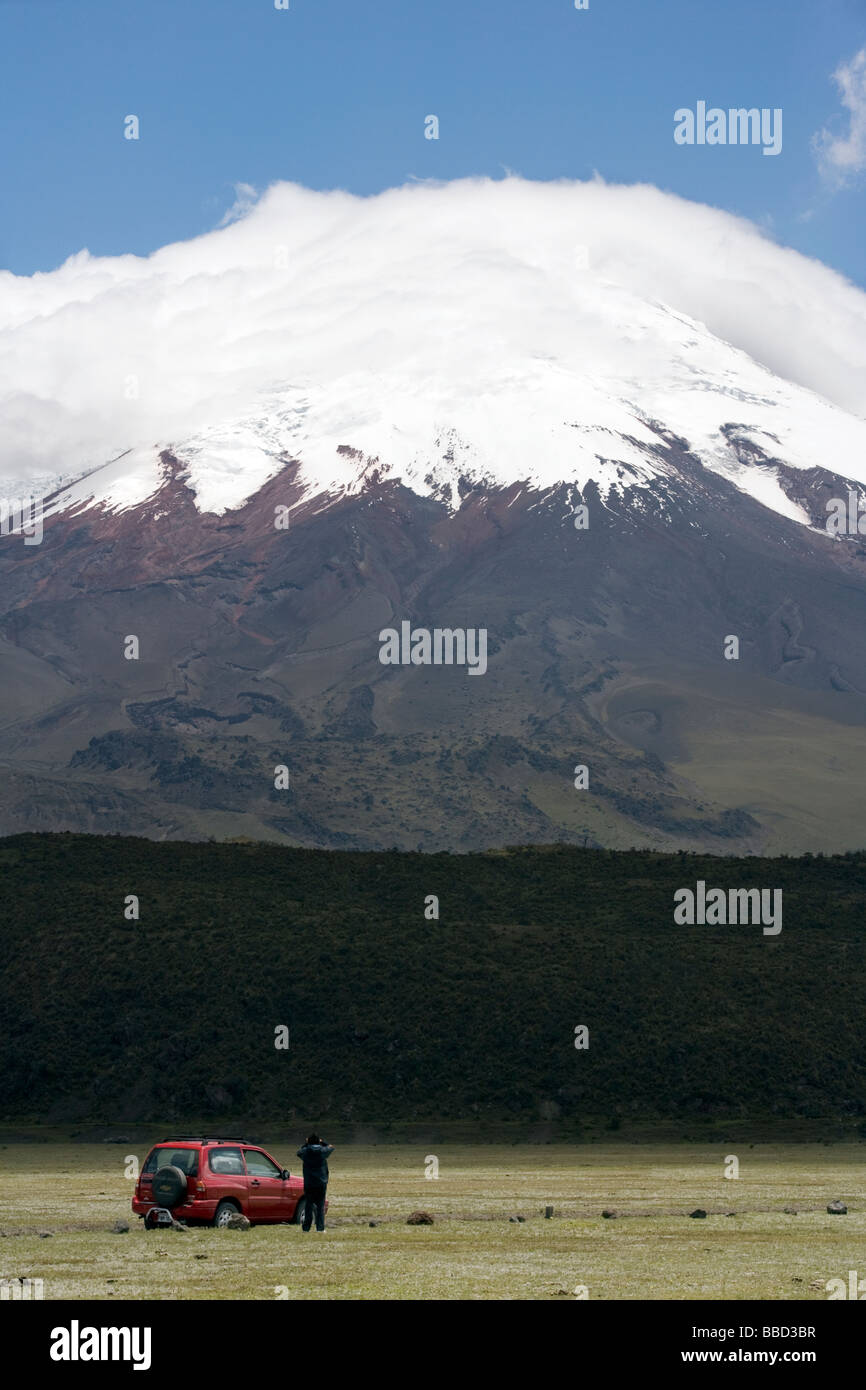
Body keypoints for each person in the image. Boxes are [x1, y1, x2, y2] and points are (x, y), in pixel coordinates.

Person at [296, 1132, 334, 1232]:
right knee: (320, 1206)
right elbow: (331, 1147)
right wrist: (323, 1142)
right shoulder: (323, 1151)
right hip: (321, 1182)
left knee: (308, 1205)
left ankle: (306, 1228)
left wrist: (306, 1144)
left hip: (309, 1183)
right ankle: (320, 1228)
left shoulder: (306, 1151)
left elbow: (298, 1152)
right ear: (318, 1141)